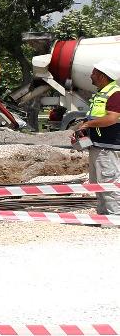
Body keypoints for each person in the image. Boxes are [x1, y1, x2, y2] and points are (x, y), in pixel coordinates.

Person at [71, 60, 120, 218]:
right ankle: (104, 215)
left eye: (94, 73)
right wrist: (82, 131)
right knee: (98, 184)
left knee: (109, 183)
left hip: (108, 147)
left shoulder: (115, 94)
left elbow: (112, 118)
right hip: (98, 146)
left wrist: (87, 125)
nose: (91, 75)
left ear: (103, 76)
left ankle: (114, 217)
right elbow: (95, 117)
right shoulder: (102, 93)